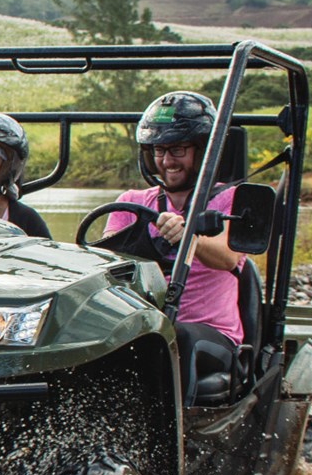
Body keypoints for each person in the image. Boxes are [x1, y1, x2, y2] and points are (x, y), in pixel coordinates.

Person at [105, 90, 248, 370]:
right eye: (159, 151)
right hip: (145, 327)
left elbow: (228, 258)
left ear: (202, 150)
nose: (168, 161)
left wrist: (190, 238)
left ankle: (177, 415)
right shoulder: (130, 202)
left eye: (178, 151)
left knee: (171, 338)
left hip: (210, 334)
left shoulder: (231, 199)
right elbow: (106, 262)